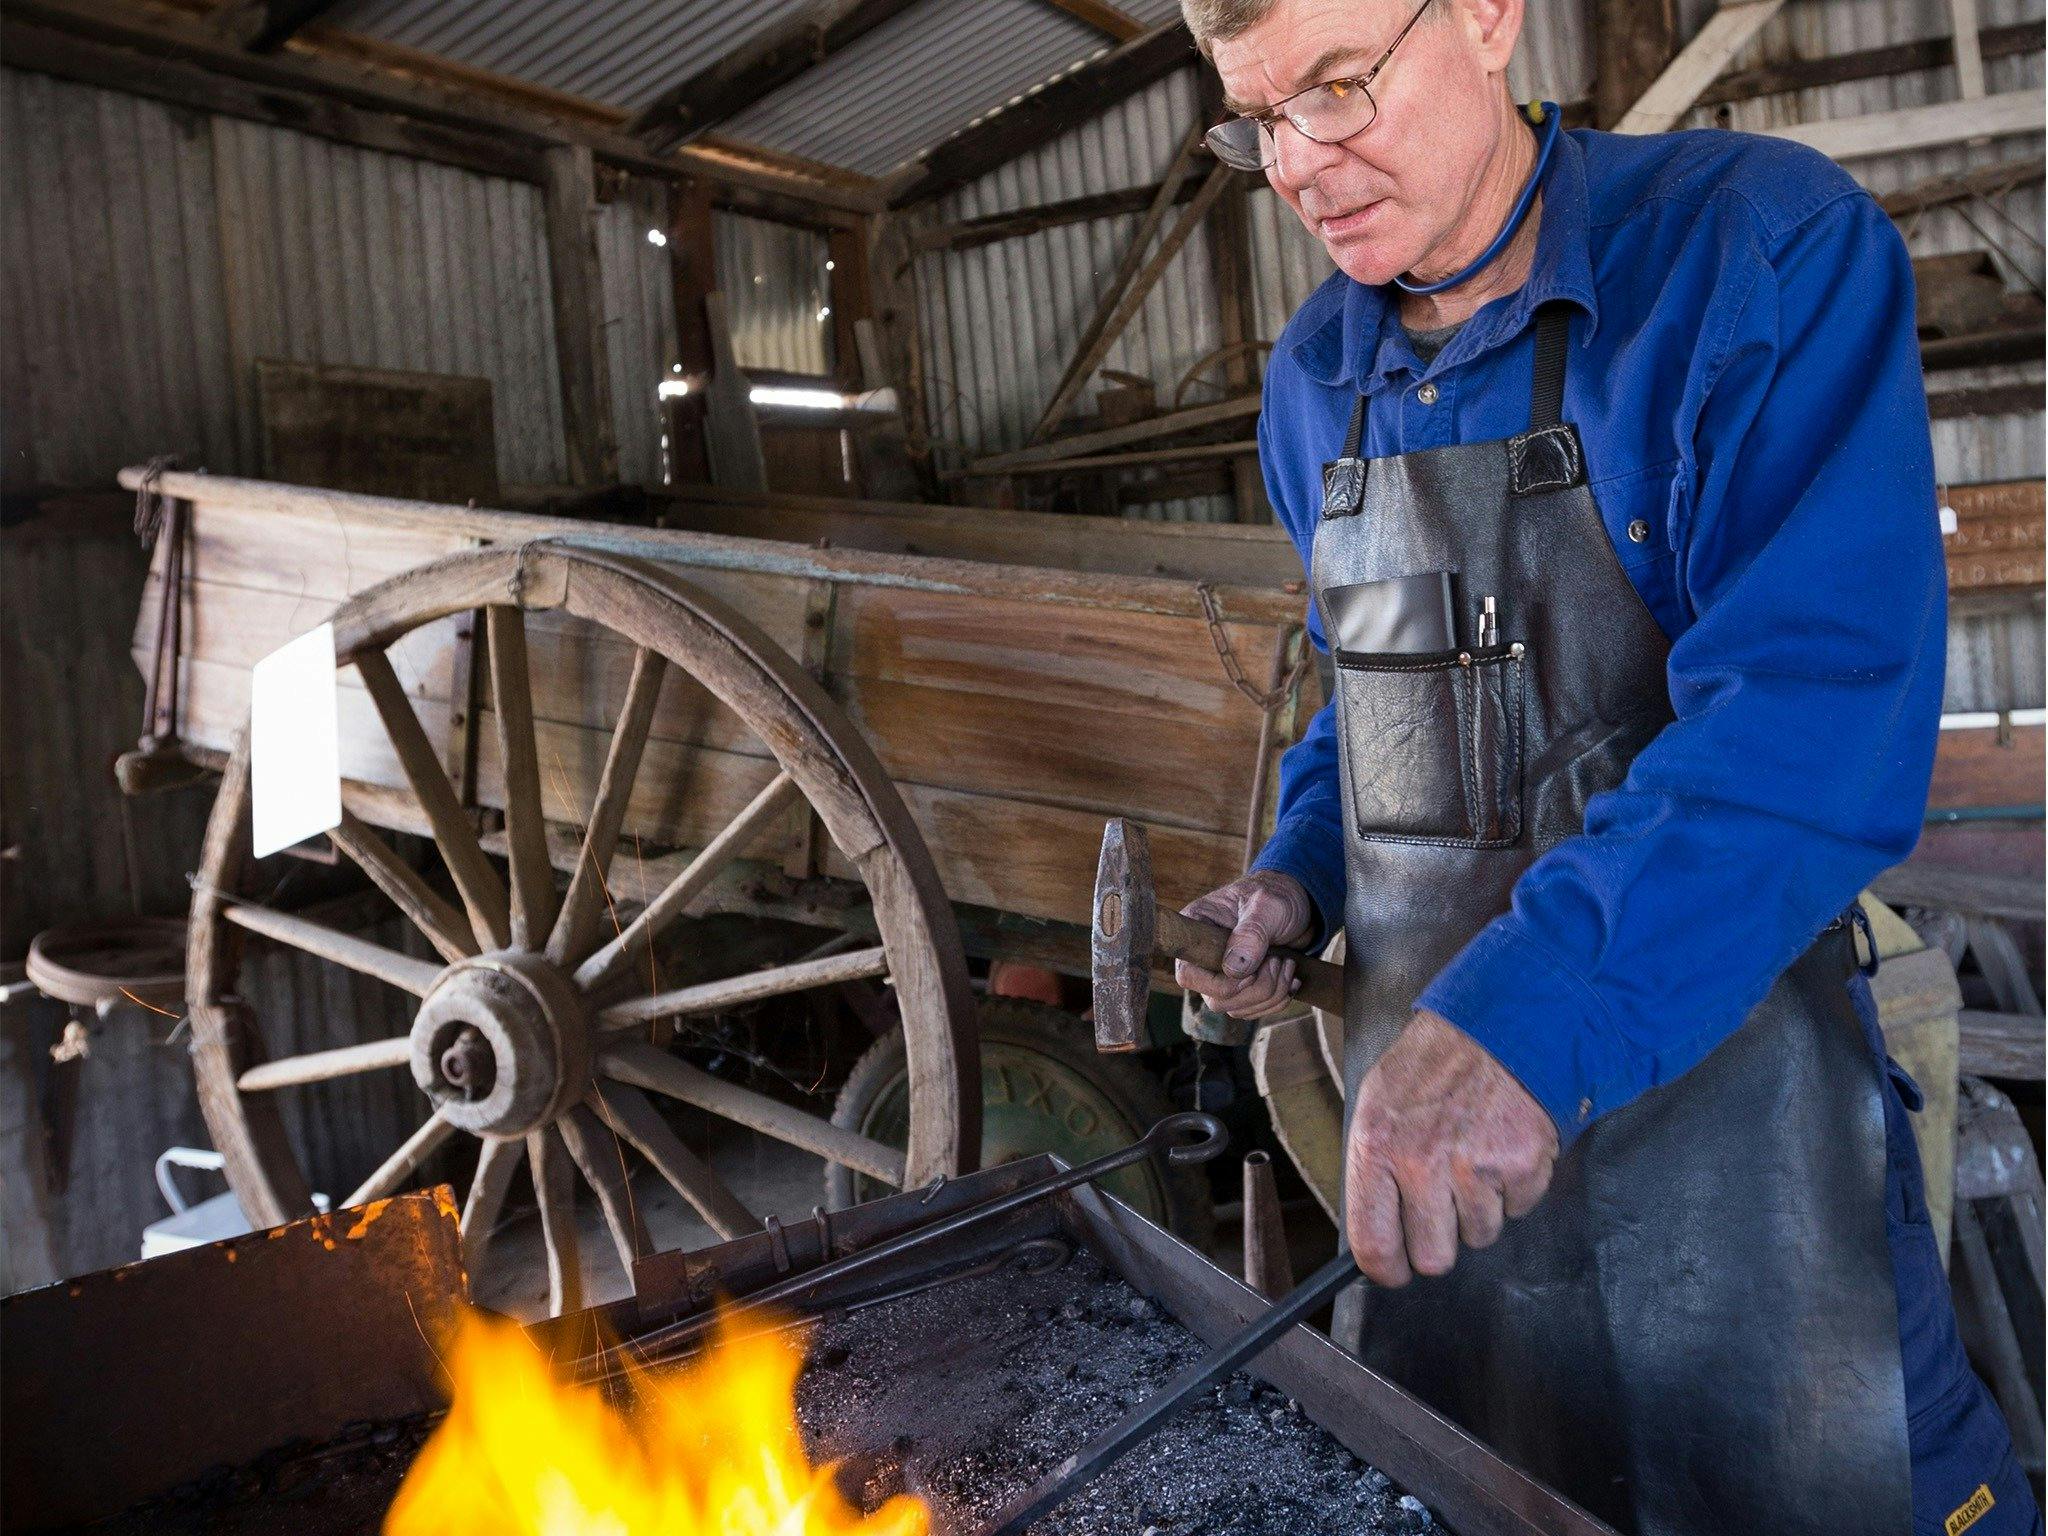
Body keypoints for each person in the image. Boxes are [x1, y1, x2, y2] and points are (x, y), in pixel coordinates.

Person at [1171, 1, 2040, 1531]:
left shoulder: (1753, 258)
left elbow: (1812, 712)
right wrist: (1299, 879)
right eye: (1259, 119)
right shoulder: (1317, 381)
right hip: (1449, 1199)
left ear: (1491, 16)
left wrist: (1525, 1018)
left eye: (1341, 84)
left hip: (1746, 1147)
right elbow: (1364, 702)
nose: (1303, 161)